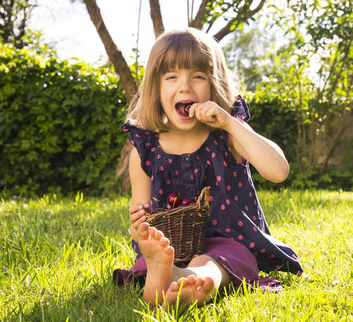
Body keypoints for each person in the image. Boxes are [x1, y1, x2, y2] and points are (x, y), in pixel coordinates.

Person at [112, 28, 303, 308]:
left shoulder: (229, 134)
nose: (185, 86)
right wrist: (140, 229)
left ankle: (190, 279)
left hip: (230, 243)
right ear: (156, 87)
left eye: (198, 76)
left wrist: (230, 122)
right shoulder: (146, 148)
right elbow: (139, 224)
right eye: (172, 77)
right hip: (170, 246)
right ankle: (167, 272)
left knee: (219, 261)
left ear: (215, 84)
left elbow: (279, 171)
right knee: (154, 255)